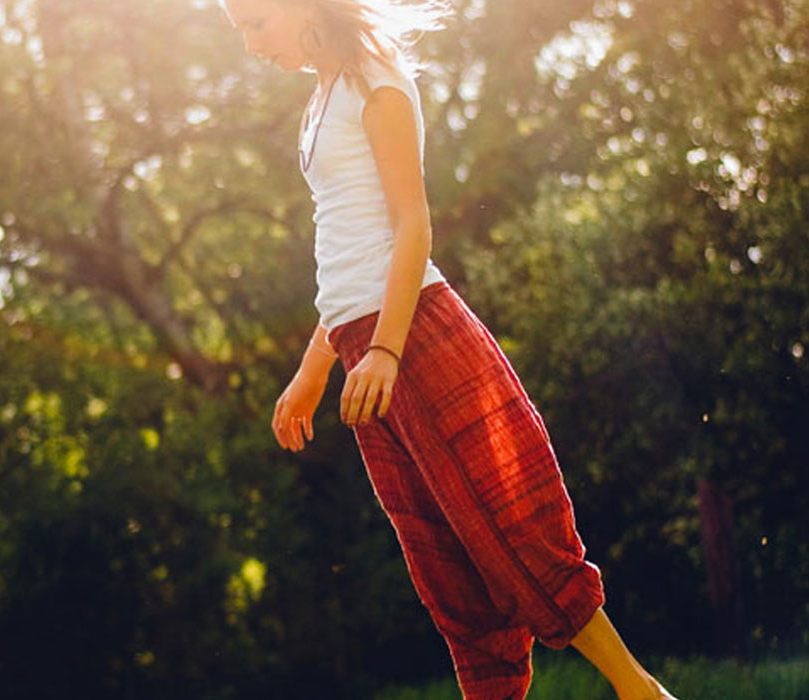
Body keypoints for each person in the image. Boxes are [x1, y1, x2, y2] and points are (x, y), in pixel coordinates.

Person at [219, 1, 681, 699]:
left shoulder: (376, 81)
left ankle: (637, 689)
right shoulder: (321, 99)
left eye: (256, 23)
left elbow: (412, 226)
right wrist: (314, 370)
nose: (251, 46)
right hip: (363, 349)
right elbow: (346, 254)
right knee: (445, 568)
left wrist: (385, 350)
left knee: (509, 525)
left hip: (415, 336)